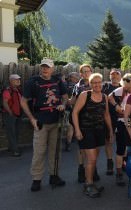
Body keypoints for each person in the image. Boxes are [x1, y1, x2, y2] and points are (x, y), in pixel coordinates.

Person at [20, 58, 68, 192]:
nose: (45, 69)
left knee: (55, 151)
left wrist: (62, 105)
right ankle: (36, 179)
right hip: (40, 122)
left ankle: (54, 175)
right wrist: (31, 119)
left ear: (52, 69)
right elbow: (23, 101)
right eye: (43, 67)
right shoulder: (33, 82)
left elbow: (65, 98)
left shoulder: (58, 81)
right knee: (39, 151)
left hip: (56, 121)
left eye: (47, 67)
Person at [72, 73, 113, 198]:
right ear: (90, 84)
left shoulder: (105, 96)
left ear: (102, 83)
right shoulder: (85, 95)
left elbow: (106, 115)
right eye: (94, 82)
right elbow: (75, 112)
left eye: (99, 82)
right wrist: (77, 130)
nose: (97, 84)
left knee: (94, 158)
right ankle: (88, 184)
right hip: (86, 131)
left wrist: (110, 131)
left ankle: (90, 182)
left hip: (99, 131)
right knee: (92, 159)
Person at [70, 64, 99, 183]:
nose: (86, 73)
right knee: (82, 147)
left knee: (95, 147)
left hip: (95, 120)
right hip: (82, 119)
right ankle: (82, 170)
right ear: (80, 74)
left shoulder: (96, 84)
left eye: (88, 71)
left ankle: (93, 170)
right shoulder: (78, 87)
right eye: (84, 71)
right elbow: (73, 102)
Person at [108, 73, 131, 186]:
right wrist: (116, 106)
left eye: (129, 80)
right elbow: (109, 97)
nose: (127, 83)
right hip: (122, 122)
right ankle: (119, 173)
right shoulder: (121, 90)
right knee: (121, 147)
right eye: (126, 80)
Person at [102, 68, 122, 176]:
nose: (114, 76)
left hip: (121, 118)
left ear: (120, 76)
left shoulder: (123, 87)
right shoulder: (105, 87)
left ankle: (122, 162)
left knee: (122, 141)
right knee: (108, 141)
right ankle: (110, 162)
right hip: (108, 117)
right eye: (112, 75)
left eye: (116, 75)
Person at [2, 74, 22, 157]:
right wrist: (10, 112)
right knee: (12, 133)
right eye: (16, 79)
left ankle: (12, 147)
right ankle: (15, 151)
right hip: (10, 114)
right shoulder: (7, 90)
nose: (18, 81)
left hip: (17, 114)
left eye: (19, 79)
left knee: (16, 132)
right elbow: (5, 103)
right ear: (11, 81)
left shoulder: (17, 90)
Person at [64, 72, 80, 152]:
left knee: (70, 127)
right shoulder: (75, 86)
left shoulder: (65, 85)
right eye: (76, 76)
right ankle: (69, 143)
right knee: (71, 127)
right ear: (71, 78)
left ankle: (69, 143)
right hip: (73, 108)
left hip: (67, 108)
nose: (78, 77)